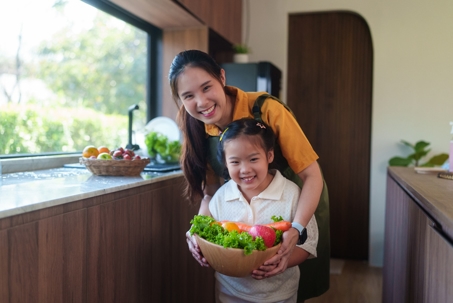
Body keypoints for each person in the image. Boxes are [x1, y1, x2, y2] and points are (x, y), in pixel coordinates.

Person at [169, 49, 330, 301]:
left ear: (222, 78)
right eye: (188, 96)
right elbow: (210, 192)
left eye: (206, 87)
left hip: (299, 200)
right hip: (244, 208)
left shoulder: (267, 109)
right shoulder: (197, 126)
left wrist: (296, 227)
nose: (201, 102)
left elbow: (312, 175)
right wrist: (197, 231)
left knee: (290, 278)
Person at [206, 118, 318, 302]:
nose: (245, 169)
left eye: (253, 159)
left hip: (279, 294)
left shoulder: (291, 194)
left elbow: (308, 244)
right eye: (235, 162)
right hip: (229, 292)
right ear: (225, 163)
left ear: (269, 156)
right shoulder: (221, 197)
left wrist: (282, 262)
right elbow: (212, 241)